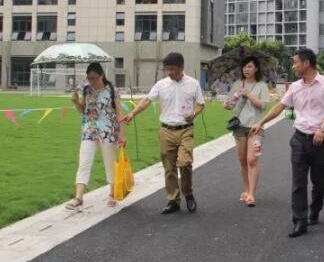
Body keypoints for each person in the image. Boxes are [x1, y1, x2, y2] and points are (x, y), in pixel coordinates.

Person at [251, 48, 324, 238]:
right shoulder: (295, 86)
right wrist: (261, 122)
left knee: (318, 181)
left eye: (295, 62)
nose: (293, 66)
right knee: (298, 182)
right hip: (299, 138)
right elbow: (280, 106)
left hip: (320, 139)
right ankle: (300, 220)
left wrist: (322, 128)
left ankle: (315, 209)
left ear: (306, 63)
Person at [121, 53, 204, 215]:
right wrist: (132, 113)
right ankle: (173, 200)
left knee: (185, 162)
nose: (169, 72)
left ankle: (188, 193)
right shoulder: (161, 84)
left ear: (181, 67)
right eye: (167, 69)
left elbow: (201, 105)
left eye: (172, 69)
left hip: (186, 129)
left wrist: (193, 113)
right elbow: (147, 100)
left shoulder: (193, 84)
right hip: (166, 130)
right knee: (169, 167)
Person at [66, 63, 125, 210]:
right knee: (84, 162)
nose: (92, 81)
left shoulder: (112, 90)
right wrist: (75, 102)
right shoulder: (87, 90)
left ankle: (112, 194)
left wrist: (122, 135)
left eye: (94, 78)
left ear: (101, 75)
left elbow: (119, 113)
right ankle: (79, 197)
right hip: (89, 130)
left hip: (108, 131)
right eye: (89, 78)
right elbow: (83, 110)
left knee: (110, 163)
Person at [224, 56, 270, 207]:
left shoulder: (262, 86)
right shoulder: (237, 84)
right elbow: (230, 105)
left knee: (252, 159)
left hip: (256, 127)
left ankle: (252, 193)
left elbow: (263, 105)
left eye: (249, 66)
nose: (246, 69)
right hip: (239, 127)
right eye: (244, 66)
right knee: (243, 160)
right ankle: (246, 189)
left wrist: (248, 94)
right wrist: (228, 103)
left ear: (256, 68)